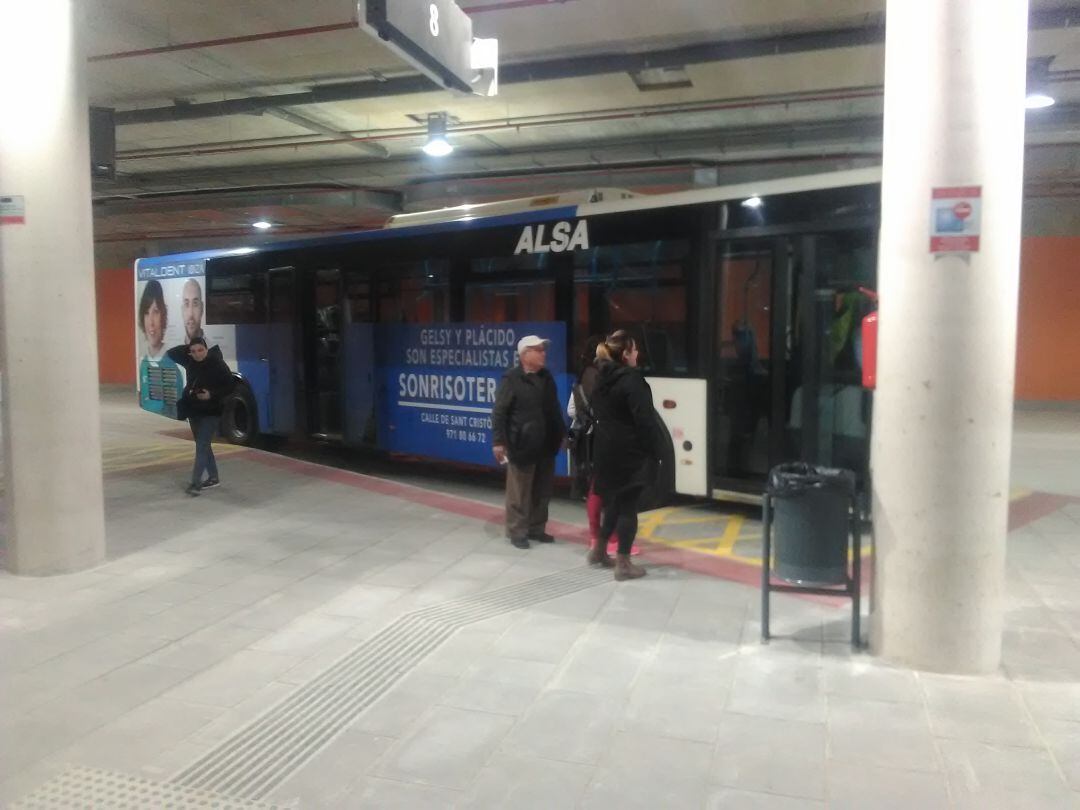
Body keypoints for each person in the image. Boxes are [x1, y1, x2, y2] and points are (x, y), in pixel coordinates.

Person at [590, 329, 662, 580]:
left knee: (614, 503)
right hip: (630, 453)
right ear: (625, 355)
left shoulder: (602, 379)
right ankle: (623, 563)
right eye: (634, 349)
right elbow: (645, 420)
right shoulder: (632, 380)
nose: (638, 353)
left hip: (606, 451)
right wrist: (656, 449)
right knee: (629, 507)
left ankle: (598, 550)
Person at [492, 334, 565, 549]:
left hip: (546, 444)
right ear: (525, 355)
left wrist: (561, 434)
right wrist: (498, 441)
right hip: (521, 444)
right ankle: (517, 531)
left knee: (542, 490)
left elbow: (554, 409)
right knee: (519, 491)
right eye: (539, 350)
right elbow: (499, 412)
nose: (544, 354)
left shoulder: (547, 378)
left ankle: (537, 528)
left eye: (544, 349)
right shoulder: (511, 379)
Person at [167, 336, 234, 496]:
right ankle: (213, 477)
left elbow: (230, 386)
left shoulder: (217, 364)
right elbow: (171, 353)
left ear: (207, 349)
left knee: (202, 445)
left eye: (201, 350)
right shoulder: (190, 361)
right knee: (203, 444)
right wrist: (189, 347)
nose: (197, 354)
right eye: (194, 351)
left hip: (211, 411)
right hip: (193, 409)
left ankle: (196, 483)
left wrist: (211, 394)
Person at [182, 278, 205, 342]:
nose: (190, 314)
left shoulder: (213, 350)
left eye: (195, 304)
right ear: (182, 311)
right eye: (186, 304)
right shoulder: (174, 351)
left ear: (202, 308)